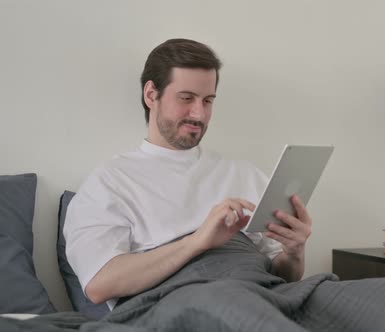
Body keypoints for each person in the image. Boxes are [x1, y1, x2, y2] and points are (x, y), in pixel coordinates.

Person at [63, 38, 312, 310]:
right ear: (151, 95)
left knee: (361, 295)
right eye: (186, 98)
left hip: (265, 297)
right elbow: (99, 284)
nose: (199, 114)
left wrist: (294, 252)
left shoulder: (246, 174)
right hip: (183, 306)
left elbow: (284, 278)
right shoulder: (110, 181)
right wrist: (197, 242)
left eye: (208, 101)